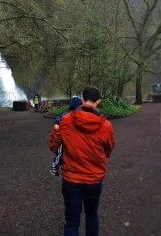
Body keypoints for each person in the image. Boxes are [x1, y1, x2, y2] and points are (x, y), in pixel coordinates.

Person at [49, 86, 115, 236]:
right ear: (98, 101)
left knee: (72, 221)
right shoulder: (106, 126)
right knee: (92, 215)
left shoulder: (65, 121)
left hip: (71, 180)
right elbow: (108, 151)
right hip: (94, 179)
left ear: (82, 98)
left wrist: (56, 130)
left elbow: (54, 147)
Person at [50, 96, 82, 176]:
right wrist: (57, 124)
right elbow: (58, 119)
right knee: (61, 150)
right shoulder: (67, 114)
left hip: (73, 137)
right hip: (67, 136)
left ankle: (57, 165)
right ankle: (55, 166)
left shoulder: (76, 114)